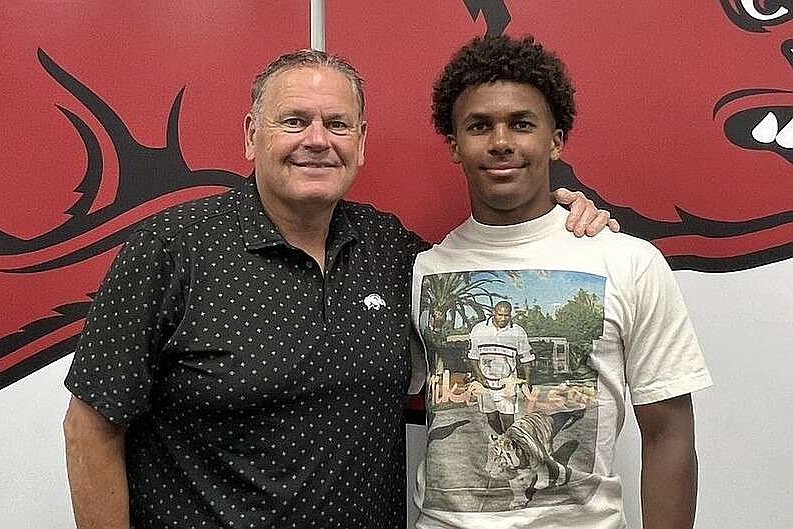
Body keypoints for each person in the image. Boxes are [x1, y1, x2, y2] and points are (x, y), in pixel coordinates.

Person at [62, 49, 615, 529]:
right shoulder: (171, 249)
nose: (317, 141)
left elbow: (490, 264)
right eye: (294, 121)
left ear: (362, 142)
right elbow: (89, 427)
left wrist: (560, 225)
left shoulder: (392, 251)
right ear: (252, 135)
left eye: (338, 124)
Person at [411, 35, 712, 529]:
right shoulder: (422, 270)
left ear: (555, 138)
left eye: (522, 124)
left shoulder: (627, 261)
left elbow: (669, 435)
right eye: (479, 126)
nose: (502, 141)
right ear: (455, 145)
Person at [467, 300, 532, 434]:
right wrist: (479, 377)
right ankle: (503, 439)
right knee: (491, 418)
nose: (503, 318)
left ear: (510, 315)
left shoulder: (517, 332)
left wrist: (528, 381)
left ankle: (511, 445)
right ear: (493, 313)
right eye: (499, 314)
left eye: (506, 315)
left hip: (507, 381)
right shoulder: (479, 329)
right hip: (485, 382)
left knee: (508, 419)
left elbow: (527, 359)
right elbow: (473, 357)